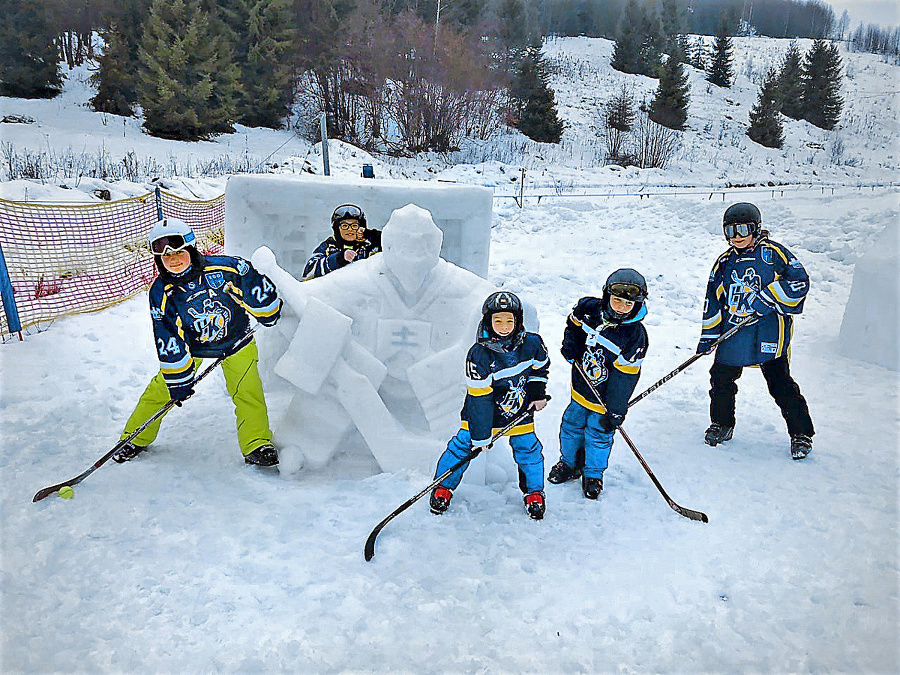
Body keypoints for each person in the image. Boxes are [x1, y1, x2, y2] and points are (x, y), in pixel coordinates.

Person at [113, 217, 283, 467]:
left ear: (191, 249)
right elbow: (167, 334)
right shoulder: (161, 291)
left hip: (237, 340)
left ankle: (256, 443)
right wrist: (178, 380)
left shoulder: (226, 269)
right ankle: (135, 437)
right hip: (193, 345)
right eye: (165, 257)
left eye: (179, 252)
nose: (173, 260)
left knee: (248, 391)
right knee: (161, 389)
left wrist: (267, 309)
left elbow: (251, 281)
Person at [697, 202, 815, 460]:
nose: (736, 237)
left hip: (768, 331)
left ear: (756, 228)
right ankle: (722, 423)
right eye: (730, 231)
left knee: (780, 383)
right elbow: (713, 298)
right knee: (721, 378)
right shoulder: (725, 262)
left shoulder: (774, 254)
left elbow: (799, 281)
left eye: (742, 230)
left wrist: (769, 297)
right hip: (734, 331)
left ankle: (801, 433)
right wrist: (709, 336)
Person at [429, 291, 551, 520]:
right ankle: (443, 487)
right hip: (482, 414)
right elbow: (480, 398)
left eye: (509, 320)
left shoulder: (532, 343)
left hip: (519, 411)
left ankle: (534, 492)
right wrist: (481, 435)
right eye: (498, 320)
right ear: (488, 321)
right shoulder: (478, 355)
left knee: (529, 449)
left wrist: (537, 394)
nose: (504, 326)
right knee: (461, 447)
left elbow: (539, 370)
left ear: (518, 321)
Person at [547, 269, 649, 499]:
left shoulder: (635, 336)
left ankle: (593, 474)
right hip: (581, 387)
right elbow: (573, 325)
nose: (621, 307)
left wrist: (616, 409)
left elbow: (625, 377)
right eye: (617, 300)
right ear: (606, 295)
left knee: (598, 434)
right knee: (570, 426)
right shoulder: (588, 310)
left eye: (628, 303)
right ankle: (569, 464)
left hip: (605, 400)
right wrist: (570, 345)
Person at [302, 204, 382, 279]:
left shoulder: (369, 246)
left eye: (354, 226)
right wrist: (339, 258)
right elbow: (308, 273)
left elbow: (391, 245)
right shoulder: (328, 246)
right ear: (337, 229)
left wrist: (371, 234)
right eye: (344, 226)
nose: (350, 229)